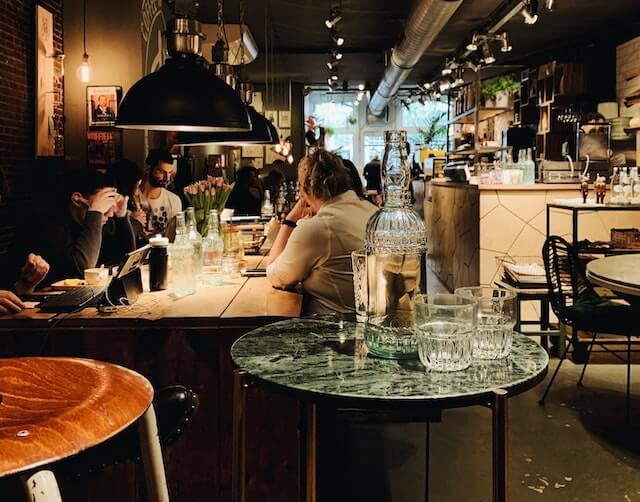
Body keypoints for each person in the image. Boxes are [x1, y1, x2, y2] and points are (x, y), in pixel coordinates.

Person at [265, 150, 377, 315]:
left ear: (305, 191)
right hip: (377, 325)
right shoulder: (373, 212)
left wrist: (290, 219)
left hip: (333, 331)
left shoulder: (318, 228)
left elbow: (276, 275)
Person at [27, 169, 135, 284]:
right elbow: (82, 267)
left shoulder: (102, 221)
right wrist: (95, 212)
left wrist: (122, 217)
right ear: (77, 199)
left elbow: (127, 261)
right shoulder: (48, 222)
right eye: (104, 202)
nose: (110, 213)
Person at [139, 149, 183, 236]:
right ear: (148, 168)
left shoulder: (174, 200)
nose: (167, 178)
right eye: (162, 172)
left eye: (170, 173)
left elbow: (175, 235)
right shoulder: (133, 198)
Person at [108, 159, 148, 247]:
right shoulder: (111, 206)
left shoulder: (133, 200)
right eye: (137, 185)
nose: (138, 191)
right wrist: (136, 223)